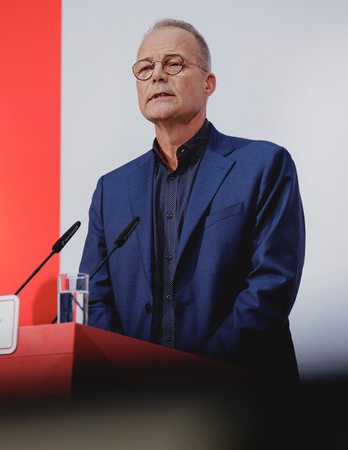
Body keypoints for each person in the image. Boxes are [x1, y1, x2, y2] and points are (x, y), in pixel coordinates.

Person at [78, 19, 304, 381]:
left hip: (243, 397)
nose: (157, 76)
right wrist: (128, 378)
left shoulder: (263, 165)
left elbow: (271, 284)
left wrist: (195, 377)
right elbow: (96, 300)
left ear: (208, 83)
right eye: (145, 69)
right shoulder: (112, 190)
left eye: (174, 64)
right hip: (138, 408)